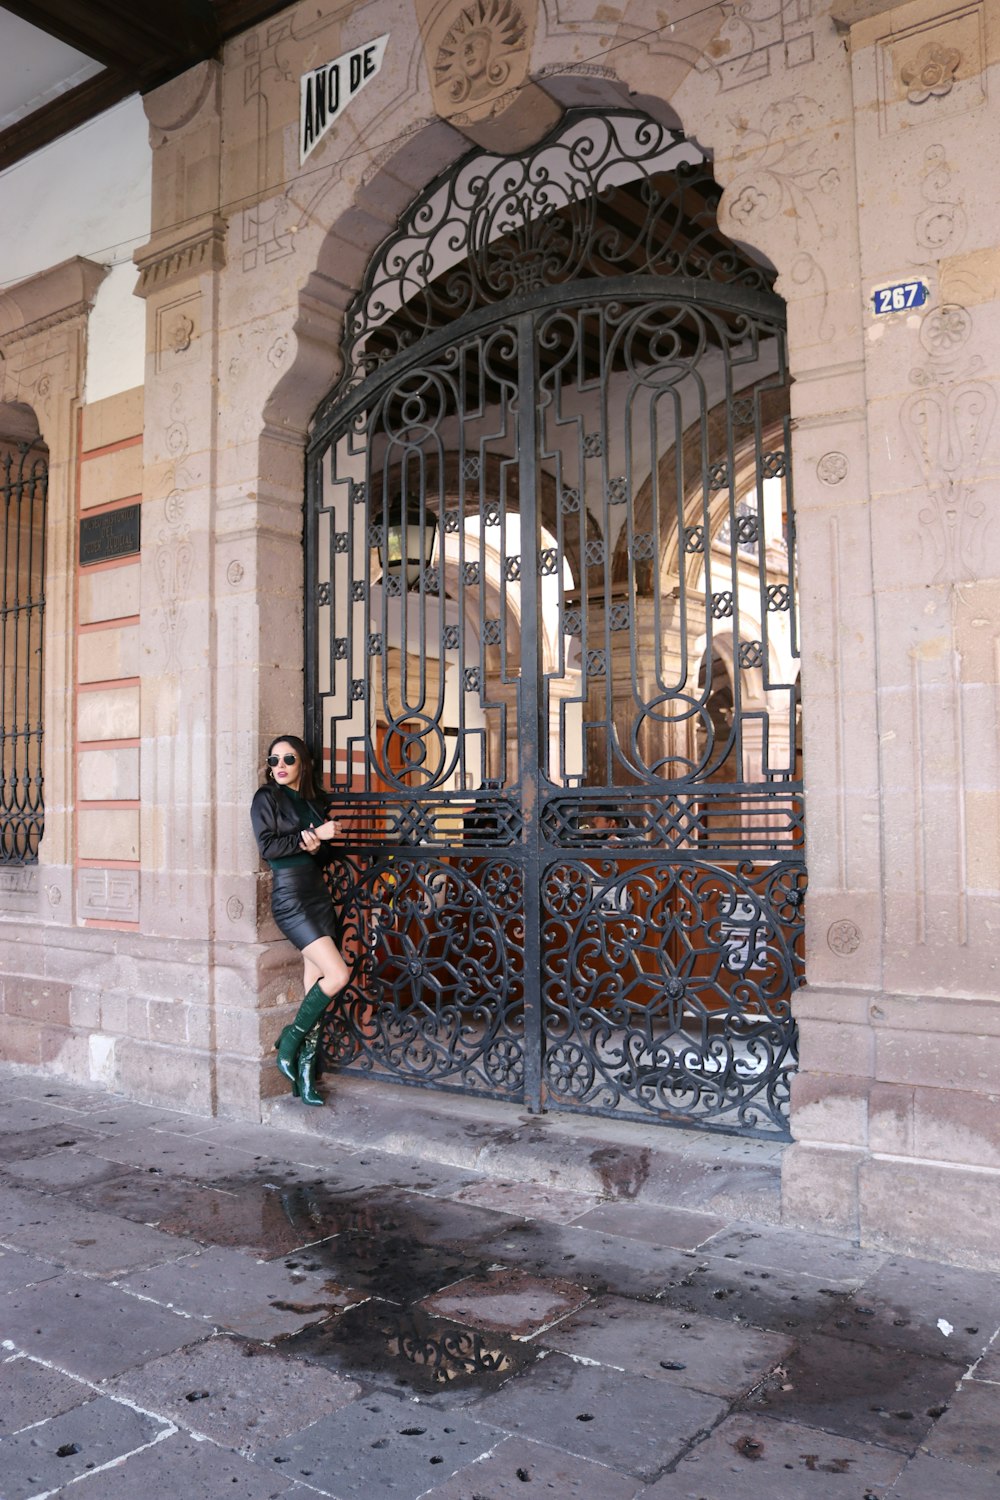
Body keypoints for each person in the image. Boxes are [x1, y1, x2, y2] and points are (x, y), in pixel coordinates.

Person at [250, 734, 350, 1106]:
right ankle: (288, 1041)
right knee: (338, 975)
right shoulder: (266, 798)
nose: (280, 767)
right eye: (273, 760)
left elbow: (321, 859)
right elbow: (268, 847)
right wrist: (311, 835)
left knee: (314, 984)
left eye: (288, 759)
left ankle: (304, 1076)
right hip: (291, 898)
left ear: (302, 763)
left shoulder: (314, 802)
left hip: (317, 895)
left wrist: (319, 844)